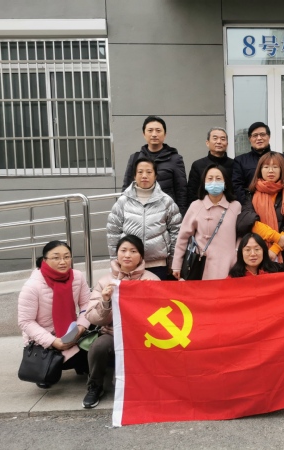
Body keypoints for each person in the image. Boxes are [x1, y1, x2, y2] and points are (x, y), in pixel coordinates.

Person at [83, 235, 160, 408]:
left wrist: (150, 296)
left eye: (133, 251)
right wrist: (106, 302)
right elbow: (92, 317)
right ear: (116, 254)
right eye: (123, 250)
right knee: (99, 346)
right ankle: (95, 385)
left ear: (141, 256)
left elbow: (162, 314)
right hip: (112, 333)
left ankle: (146, 385)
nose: (127, 255)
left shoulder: (152, 280)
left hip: (143, 336)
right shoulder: (105, 281)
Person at [17, 241, 90, 388]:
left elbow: (87, 304)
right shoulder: (32, 286)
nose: (63, 262)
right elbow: (26, 322)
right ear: (45, 260)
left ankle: (79, 362)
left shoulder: (77, 276)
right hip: (45, 339)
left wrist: (82, 326)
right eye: (56, 258)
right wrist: (52, 341)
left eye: (67, 257)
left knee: (99, 352)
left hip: (72, 332)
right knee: (49, 375)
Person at [107, 157, 182, 280]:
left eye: (149, 172)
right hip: (130, 265)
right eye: (140, 172)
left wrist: (174, 261)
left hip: (157, 264)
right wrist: (114, 261)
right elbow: (113, 233)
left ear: (155, 175)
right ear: (134, 176)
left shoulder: (166, 201)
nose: (144, 176)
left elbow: (176, 232)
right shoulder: (123, 201)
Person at [236, 152, 284, 272]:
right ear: (260, 170)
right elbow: (247, 221)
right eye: (266, 167)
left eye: (275, 167)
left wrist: (275, 249)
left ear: (282, 170)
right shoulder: (251, 194)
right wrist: (276, 237)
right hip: (259, 257)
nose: (271, 171)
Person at [172, 164, 242, 280]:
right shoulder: (196, 206)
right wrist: (176, 265)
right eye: (210, 178)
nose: (214, 182)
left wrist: (236, 254)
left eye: (218, 178)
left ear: (225, 183)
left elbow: (241, 234)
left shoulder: (235, 206)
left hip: (229, 265)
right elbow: (183, 237)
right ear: (204, 183)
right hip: (201, 266)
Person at [121, 116, 188, 214]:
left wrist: (181, 216)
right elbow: (126, 188)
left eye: (158, 130)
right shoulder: (135, 158)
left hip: (165, 214)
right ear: (144, 134)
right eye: (150, 130)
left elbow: (182, 192)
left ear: (165, 134)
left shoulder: (175, 159)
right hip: (139, 213)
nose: (154, 134)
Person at [232, 121, 284, 204]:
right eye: (255, 135)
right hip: (250, 206)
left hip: (278, 205)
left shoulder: (282, 159)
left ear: (269, 137)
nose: (259, 138)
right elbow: (237, 187)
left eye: (262, 134)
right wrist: (249, 206)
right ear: (250, 139)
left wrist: (278, 205)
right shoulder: (240, 161)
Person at [187, 127, 234, 204]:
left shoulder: (234, 164)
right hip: (203, 208)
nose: (219, 142)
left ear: (227, 144)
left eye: (223, 139)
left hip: (229, 207)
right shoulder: (198, 165)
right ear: (207, 143)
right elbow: (192, 192)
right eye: (215, 138)